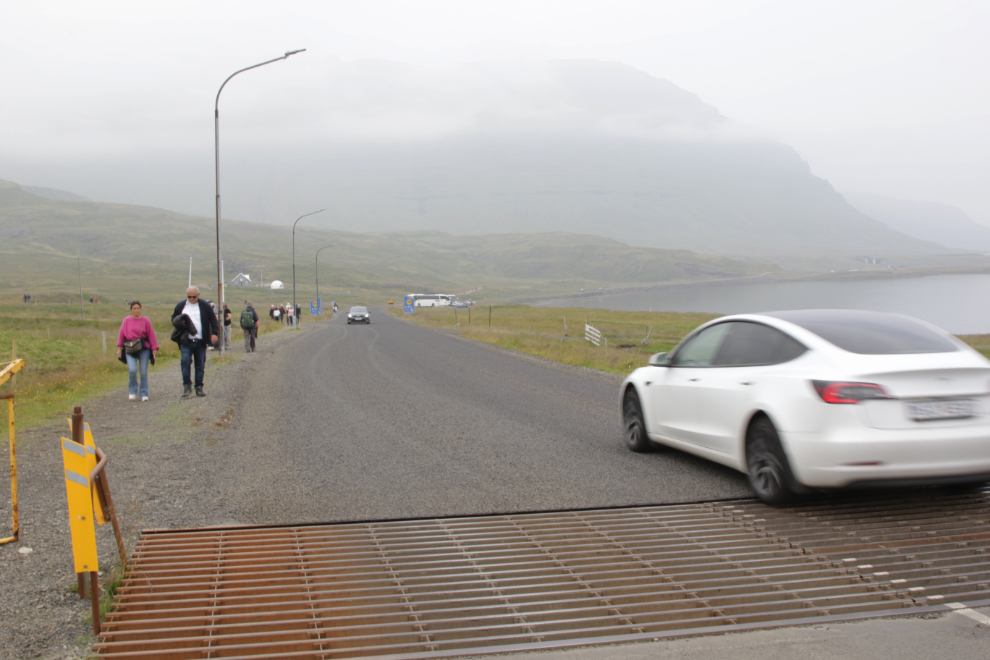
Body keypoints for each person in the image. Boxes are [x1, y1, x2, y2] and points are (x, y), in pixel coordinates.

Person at [171, 286, 219, 398]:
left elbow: (213, 320)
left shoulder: (204, 305)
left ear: (198, 295)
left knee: (200, 365)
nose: (191, 299)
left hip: (201, 341)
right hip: (186, 341)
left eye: (194, 296)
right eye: (189, 297)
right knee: (185, 362)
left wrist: (215, 333)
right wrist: (181, 324)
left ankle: (199, 387)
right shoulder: (180, 306)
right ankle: (187, 386)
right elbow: (174, 319)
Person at [116, 301, 159, 401]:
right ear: (131, 310)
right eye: (134, 308)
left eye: (138, 308)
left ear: (141, 308)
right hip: (130, 347)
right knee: (132, 369)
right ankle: (132, 391)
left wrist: (154, 348)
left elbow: (151, 335)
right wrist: (119, 348)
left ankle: (143, 393)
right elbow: (121, 335)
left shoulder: (146, 320)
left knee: (143, 371)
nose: (136, 310)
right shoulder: (126, 320)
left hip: (144, 348)